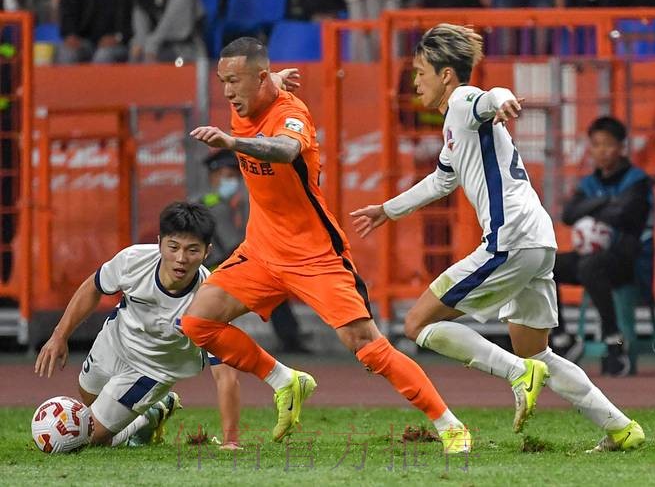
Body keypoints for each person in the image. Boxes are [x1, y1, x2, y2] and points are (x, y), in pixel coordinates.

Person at [182, 36, 506, 453]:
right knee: (198, 323)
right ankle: (285, 380)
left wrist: (234, 143)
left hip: (314, 255)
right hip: (261, 251)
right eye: (223, 82)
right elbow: (261, 86)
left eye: (234, 81)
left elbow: (284, 150)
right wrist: (272, 79)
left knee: (367, 348)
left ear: (258, 78)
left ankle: (450, 425)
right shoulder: (249, 95)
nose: (227, 92)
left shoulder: (291, 113)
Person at [350, 23, 644, 452]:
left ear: (446, 75)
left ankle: (516, 374)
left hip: (510, 239)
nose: (415, 83)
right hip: (536, 240)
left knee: (418, 324)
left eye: (420, 73)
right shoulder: (455, 125)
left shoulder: (463, 101)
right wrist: (388, 210)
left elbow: (490, 97)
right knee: (537, 353)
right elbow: (441, 180)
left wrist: (503, 100)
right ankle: (620, 428)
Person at [33, 202, 239, 447]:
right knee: (88, 397)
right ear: (160, 242)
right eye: (173, 247)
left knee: (90, 437)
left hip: (154, 369)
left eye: (192, 250)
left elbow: (225, 374)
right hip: (114, 342)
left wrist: (231, 440)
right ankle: (150, 415)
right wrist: (60, 335)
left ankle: (147, 415)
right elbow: (93, 286)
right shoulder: (133, 260)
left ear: (207, 252)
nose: (181, 258)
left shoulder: (211, 299)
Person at [551, 116, 654, 376]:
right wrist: (607, 201)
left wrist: (591, 207)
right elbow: (569, 215)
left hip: (629, 262)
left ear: (621, 147)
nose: (602, 151)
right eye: (596, 145)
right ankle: (562, 338)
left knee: (591, 266)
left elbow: (624, 214)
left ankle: (614, 342)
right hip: (593, 259)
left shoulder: (637, 181)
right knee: (547, 266)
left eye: (608, 144)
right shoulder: (590, 183)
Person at [201, 149, 311, 354]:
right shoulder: (213, 205)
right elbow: (232, 244)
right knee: (270, 283)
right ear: (213, 177)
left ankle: (290, 336)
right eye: (227, 176)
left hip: (231, 263)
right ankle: (290, 337)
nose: (233, 181)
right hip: (216, 268)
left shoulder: (233, 203)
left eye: (235, 176)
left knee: (273, 285)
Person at [129, 0, 206, 63]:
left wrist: (151, 44)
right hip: (154, 48)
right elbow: (140, 23)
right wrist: (140, 43)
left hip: (184, 48)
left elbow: (173, 22)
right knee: (135, 54)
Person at [57, 0, 132, 64]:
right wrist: (70, 34)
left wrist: (117, 37)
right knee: (67, 53)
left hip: (117, 43)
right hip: (83, 40)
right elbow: (67, 11)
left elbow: (129, 18)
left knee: (103, 56)